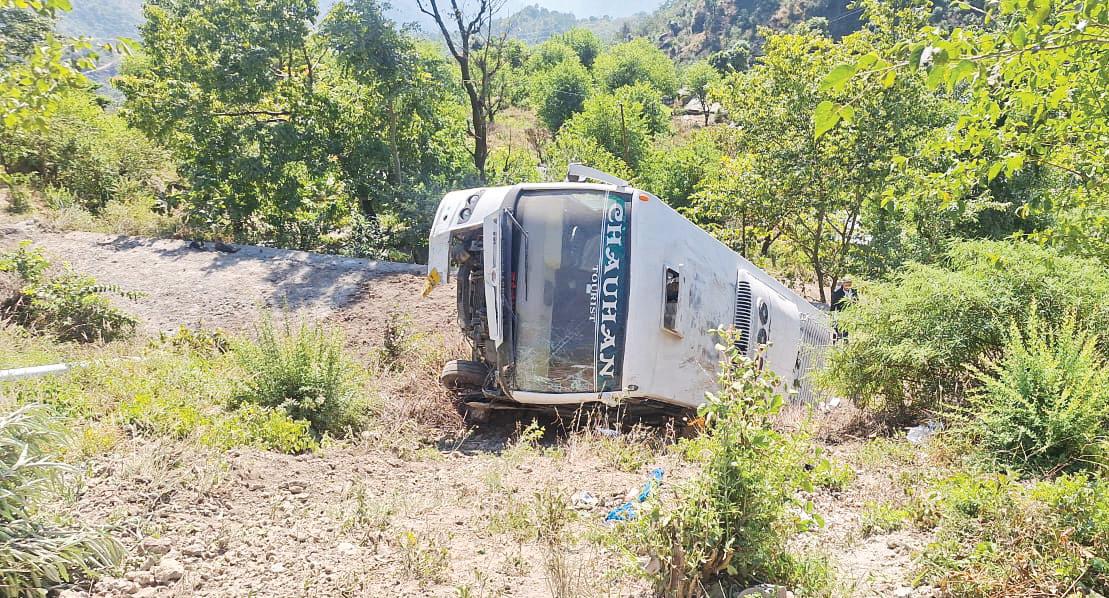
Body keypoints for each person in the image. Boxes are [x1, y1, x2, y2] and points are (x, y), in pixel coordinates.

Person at [830, 276, 857, 341]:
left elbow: (857, 301)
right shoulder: (837, 293)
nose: (848, 286)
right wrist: (832, 317)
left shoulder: (854, 292)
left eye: (849, 285)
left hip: (851, 314)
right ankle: (835, 344)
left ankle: (846, 344)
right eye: (846, 285)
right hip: (840, 314)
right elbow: (833, 307)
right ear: (843, 284)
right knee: (837, 331)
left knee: (848, 332)